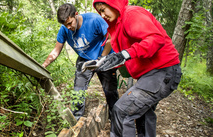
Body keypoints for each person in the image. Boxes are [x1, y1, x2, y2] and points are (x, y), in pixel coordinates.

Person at [87, 0, 182, 136]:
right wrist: (102, 63)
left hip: (163, 70)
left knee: (122, 110)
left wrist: (125, 54)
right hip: (151, 74)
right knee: (141, 112)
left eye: (103, 9)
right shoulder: (117, 26)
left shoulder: (131, 15)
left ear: (114, 3)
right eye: (99, 12)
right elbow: (127, 56)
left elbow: (155, 39)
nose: (102, 15)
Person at [42, 3, 119, 120]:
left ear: (76, 15)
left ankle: (115, 120)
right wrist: (44, 65)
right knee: (78, 92)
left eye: (70, 23)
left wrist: (102, 58)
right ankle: (76, 121)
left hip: (104, 56)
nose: (68, 27)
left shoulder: (94, 20)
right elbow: (56, 51)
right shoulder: (64, 29)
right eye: (64, 24)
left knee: (110, 91)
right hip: (84, 59)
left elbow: (110, 38)